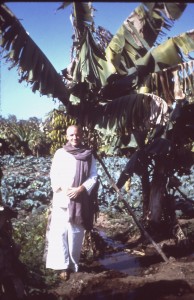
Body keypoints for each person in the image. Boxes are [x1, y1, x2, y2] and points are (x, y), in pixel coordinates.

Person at [45, 125, 98, 280]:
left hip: (80, 199)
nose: (75, 138)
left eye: (77, 135)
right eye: (71, 135)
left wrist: (80, 189)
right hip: (62, 198)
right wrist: (63, 187)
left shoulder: (88, 154)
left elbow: (93, 176)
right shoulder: (60, 153)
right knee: (60, 233)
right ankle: (62, 267)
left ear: (81, 135)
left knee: (75, 233)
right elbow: (54, 173)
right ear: (67, 136)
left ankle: (73, 265)